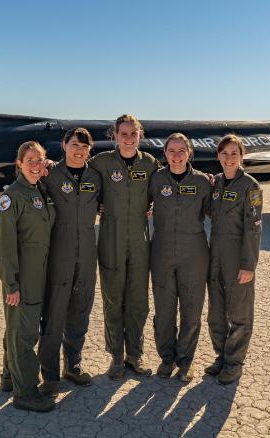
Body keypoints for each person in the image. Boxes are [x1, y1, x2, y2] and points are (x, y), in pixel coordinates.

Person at [88, 114, 159, 380]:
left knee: (138, 302)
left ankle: (135, 356)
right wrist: (96, 205)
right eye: (123, 134)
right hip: (111, 240)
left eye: (133, 134)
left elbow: (165, 189)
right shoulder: (100, 163)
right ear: (115, 136)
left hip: (139, 243)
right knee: (113, 300)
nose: (128, 139)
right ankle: (116, 357)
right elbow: (81, 185)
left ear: (139, 136)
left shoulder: (150, 164)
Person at [37, 128, 102, 396]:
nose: (79, 150)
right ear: (64, 145)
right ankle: (50, 374)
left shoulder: (96, 177)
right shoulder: (49, 174)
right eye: (74, 144)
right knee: (54, 314)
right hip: (58, 252)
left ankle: (72, 366)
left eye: (84, 147)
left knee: (80, 312)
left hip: (87, 252)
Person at [0, 141, 56, 412]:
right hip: (22, 279)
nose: (35, 164)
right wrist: (11, 284)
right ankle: (26, 392)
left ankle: (10, 378)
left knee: (16, 329)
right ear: (19, 163)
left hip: (38, 274)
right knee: (24, 335)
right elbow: (4, 245)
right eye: (29, 160)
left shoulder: (38, 190)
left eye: (39, 160)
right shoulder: (12, 197)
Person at [148, 133, 211, 383]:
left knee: (191, 308)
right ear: (164, 154)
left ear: (189, 153)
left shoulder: (203, 182)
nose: (176, 156)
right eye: (171, 151)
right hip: (162, 250)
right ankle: (166, 358)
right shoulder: (155, 179)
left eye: (181, 150)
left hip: (193, 252)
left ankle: (185, 361)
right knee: (164, 309)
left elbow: (215, 212)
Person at [205, 134, 263, 385]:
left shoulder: (250, 187)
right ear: (218, 156)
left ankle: (235, 363)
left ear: (242, 157)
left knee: (239, 314)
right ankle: (222, 356)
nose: (229, 158)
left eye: (234, 154)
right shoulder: (215, 183)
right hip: (215, 256)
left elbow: (254, 228)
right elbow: (208, 211)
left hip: (238, 258)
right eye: (224, 153)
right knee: (216, 314)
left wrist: (248, 265)